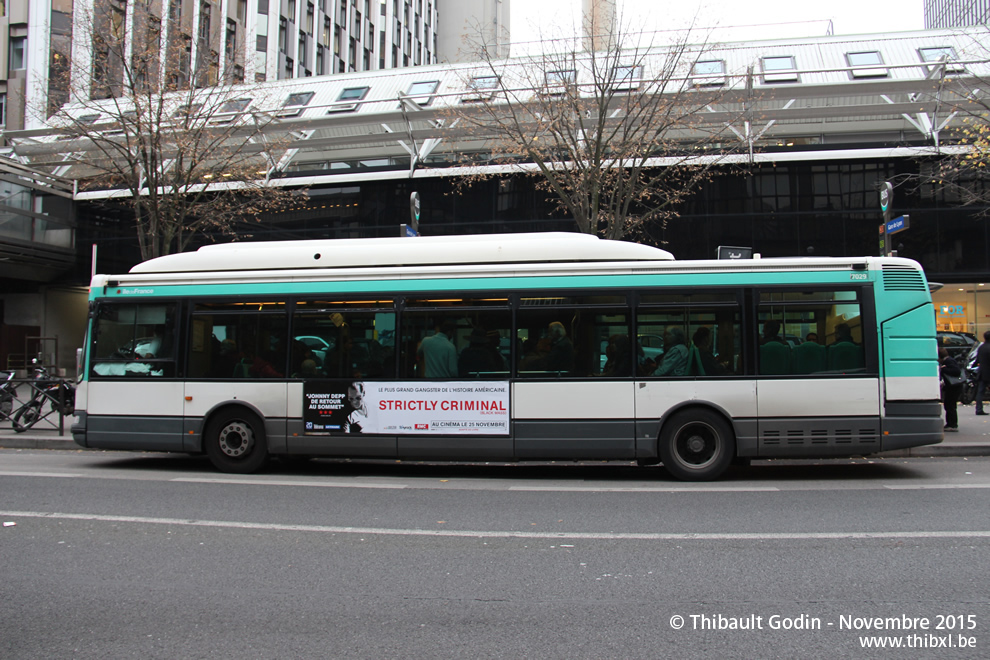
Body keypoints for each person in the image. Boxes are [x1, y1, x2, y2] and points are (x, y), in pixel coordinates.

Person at [939, 347, 963, 431]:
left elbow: (956, 371)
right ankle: (950, 423)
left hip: (953, 387)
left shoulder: (948, 361)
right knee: (949, 405)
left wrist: (943, 369)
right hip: (953, 387)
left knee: (950, 405)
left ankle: (952, 424)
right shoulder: (949, 360)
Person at [975, 330, 990, 415]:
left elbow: (977, 359)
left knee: (980, 392)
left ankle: (979, 409)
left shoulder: (981, 347)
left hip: (982, 372)